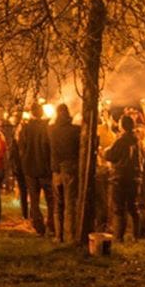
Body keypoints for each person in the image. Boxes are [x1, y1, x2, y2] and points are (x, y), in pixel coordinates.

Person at [104, 114, 145, 242]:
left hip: (120, 177)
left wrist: (105, 151)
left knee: (119, 208)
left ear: (123, 125)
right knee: (133, 207)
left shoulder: (121, 140)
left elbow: (110, 155)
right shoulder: (137, 141)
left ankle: (119, 236)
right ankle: (136, 235)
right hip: (134, 178)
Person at [18, 103, 54, 237]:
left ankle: (39, 227)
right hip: (45, 168)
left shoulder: (26, 129)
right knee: (51, 200)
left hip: (30, 168)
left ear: (32, 113)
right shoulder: (48, 127)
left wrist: (25, 161)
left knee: (34, 199)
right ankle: (52, 224)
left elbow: (21, 147)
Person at [49, 104, 81, 242]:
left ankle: (58, 235)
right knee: (70, 203)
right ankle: (70, 235)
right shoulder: (76, 130)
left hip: (56, 169)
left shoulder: (51, 130)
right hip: (71, 168)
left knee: (58, 203)